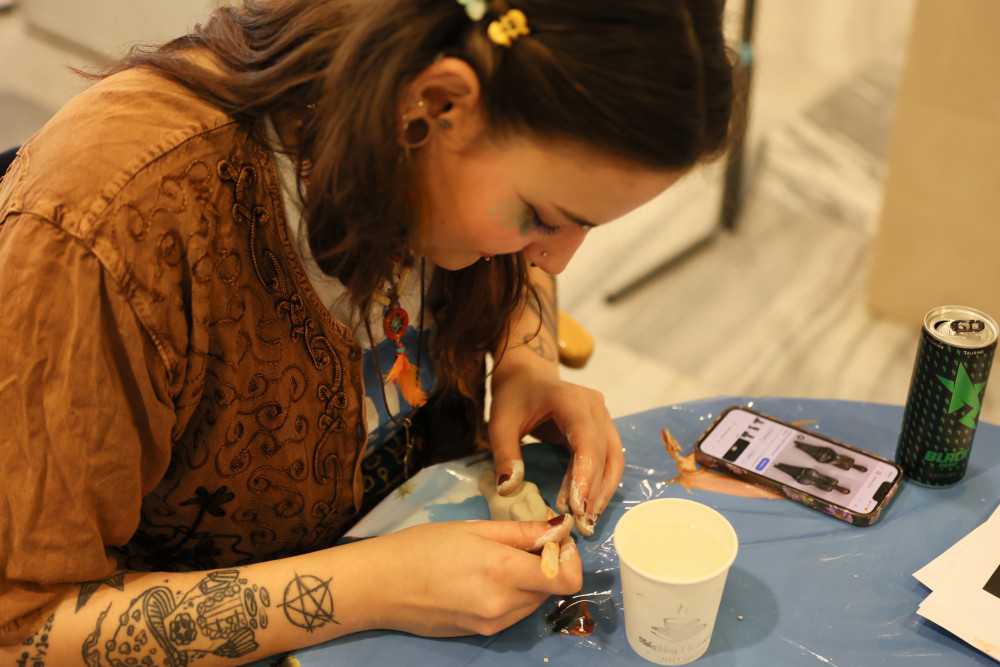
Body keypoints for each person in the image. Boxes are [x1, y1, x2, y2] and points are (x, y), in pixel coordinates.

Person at [0, 0, 738, 663]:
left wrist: (527, 360)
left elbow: (528, 264)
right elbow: (22, 627)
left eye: (587, 225)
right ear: (437, 102)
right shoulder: (108, 230)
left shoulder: (424, 119)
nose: (554, 259)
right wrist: (374, 587)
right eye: (543, 217)